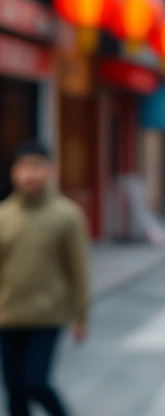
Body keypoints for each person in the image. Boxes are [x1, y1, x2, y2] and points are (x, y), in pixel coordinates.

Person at [0, 141, 88, 416]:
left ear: (50, 171)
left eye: (37, 167)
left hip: (47, 316)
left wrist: (81, 316)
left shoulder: (67, 215)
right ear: (14, 171)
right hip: (8, 315)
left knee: (35, 383)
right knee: (14, 390)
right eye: (24, 167)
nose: (30, 174)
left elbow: (79, 269)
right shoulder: (3, 215)